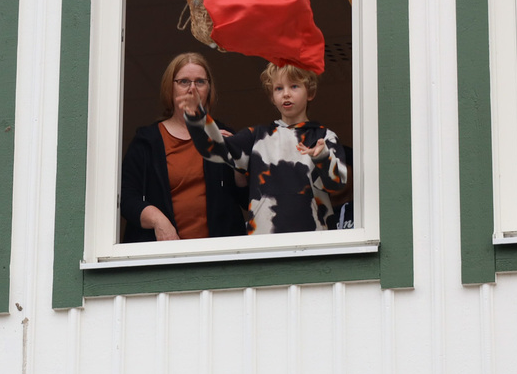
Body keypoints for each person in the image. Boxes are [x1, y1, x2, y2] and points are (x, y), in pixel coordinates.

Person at [180, 62, 349, 234]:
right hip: (265, 240)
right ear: (272, 97)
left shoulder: (323, 137)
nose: (286, 94)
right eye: (278, 88)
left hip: (313, 239)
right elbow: (215, 150)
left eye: (294, 86)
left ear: (310, 93)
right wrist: (197, 117)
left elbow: (337, 184)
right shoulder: (256, 137)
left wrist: (322, 157)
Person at [120, 53, 247, 242]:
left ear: (209, 89)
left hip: (217, 253)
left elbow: (248, 200)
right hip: (162, 253)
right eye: (184, 82)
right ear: (170, 88)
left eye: (200, 82)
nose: (192, 88)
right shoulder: (147, 140)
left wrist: (239, 165)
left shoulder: (223, 136)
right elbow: (126, 197)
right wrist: (158, 220)